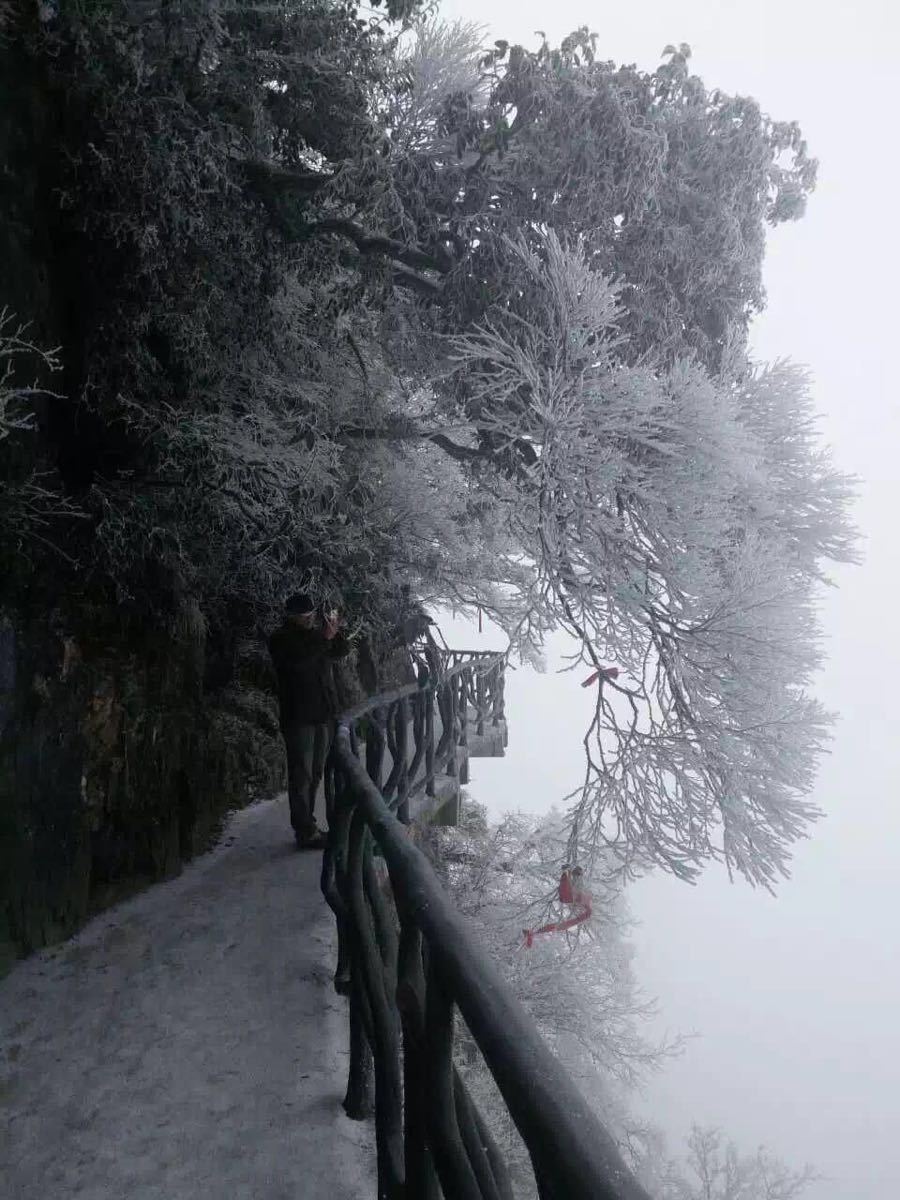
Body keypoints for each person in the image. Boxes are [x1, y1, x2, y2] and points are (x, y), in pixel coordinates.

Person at [268, 593, 352, 849]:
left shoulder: (315, 637)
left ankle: (309, 825)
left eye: (312, 616)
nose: (311, 620)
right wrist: (323, 638)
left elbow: (341, 650)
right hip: (299, 717)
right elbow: (299, 662)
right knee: (301, 774)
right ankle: (304, 830)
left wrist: (334, 632)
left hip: (322, 714)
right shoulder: (281, 640)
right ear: (293, 616)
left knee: (315, 772)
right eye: (307, 616)